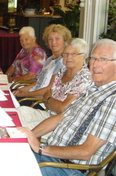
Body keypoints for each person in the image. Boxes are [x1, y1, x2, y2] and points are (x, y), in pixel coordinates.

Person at [18, 39, 116, 176]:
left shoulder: (112, 100)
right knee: (7, 153)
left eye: (103, 59)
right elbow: (59, 117)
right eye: (94, 58)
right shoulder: (93, 89)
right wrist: (27, 138)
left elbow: (86, 152)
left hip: (69, 169)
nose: (95, 64)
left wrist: (40, 148)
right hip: (52, 158)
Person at [16, 38, 93, 138]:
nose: (68, 57)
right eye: (65, 53)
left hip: (63, 125)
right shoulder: (62, 71)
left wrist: (49, 99)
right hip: (49, 114)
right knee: (19, 112)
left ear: (84, 56)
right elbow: (47, 102)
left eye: (74, 54)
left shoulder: (84, 78)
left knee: (22, 130)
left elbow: (62, 109)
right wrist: (51, 102)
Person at [13, 24, 72, 98]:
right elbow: (38, 82)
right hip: (33, 94)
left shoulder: (62, 62)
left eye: (57, 38)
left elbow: (50, 89)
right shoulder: (50, 59)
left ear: (65, 40)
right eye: (50, 39)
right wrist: (20, 90)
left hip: (41, 101)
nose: (53, 42)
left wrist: (26, 94)